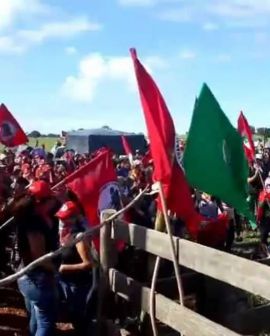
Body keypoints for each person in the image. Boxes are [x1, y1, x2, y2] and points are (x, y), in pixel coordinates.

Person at [14, 180, 60, 336]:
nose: (54, 202)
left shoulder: (30, 217)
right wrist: (55, 270)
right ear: (43, 202)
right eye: (51, 198)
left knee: (36, 315)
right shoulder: (34, 222)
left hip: (28, 276)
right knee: (46, 322)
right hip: (37, 278)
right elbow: (38, 255)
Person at [56, 201, 96, 335]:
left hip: (77, 284)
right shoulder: (64, 233)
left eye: (65, 217)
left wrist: (63, 268)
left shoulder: (79, 237)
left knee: (79, 318)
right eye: (61, 217)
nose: (62, 220)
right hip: (66, 281)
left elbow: (88, 264)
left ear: (75, 218)